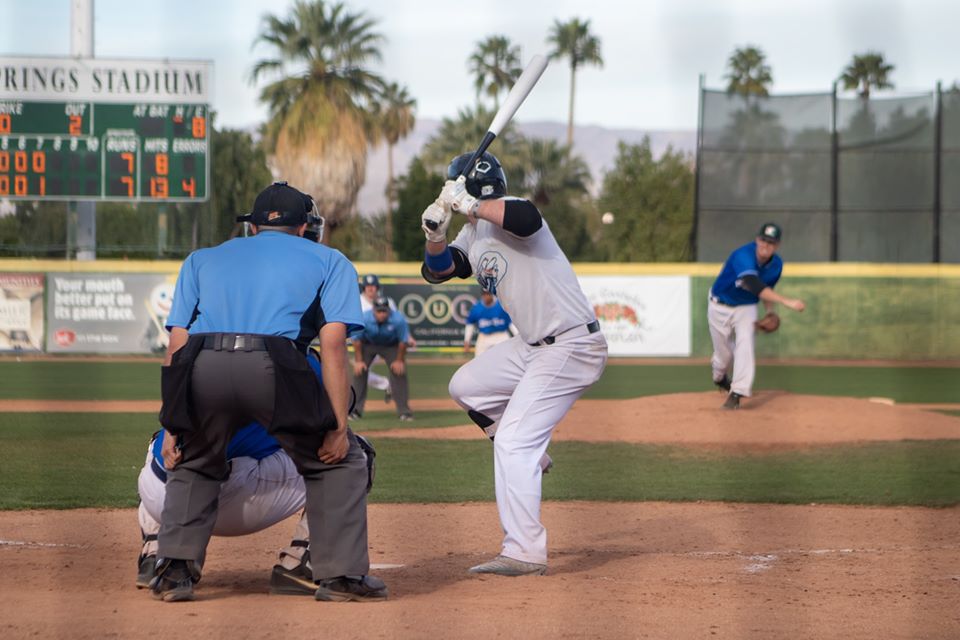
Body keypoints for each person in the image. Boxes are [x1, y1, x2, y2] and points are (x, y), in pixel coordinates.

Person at [152, 181, 385, 603]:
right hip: (273, 363)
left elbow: (177, 345)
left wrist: (173, 424)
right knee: (340, 460)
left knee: (195, 459)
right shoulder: (330, 260)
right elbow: (332, 345)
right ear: (303, 228)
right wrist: (337, 427)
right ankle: (340, 578)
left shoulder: (202, 258)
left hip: (203, 362)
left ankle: (173, 572)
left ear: (253, 227)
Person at [420, 151, 608, 577]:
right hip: (531, 347)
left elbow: (523, 218)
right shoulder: (472, 233)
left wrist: (466, 203)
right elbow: (440, 271)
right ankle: (533, 456)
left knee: (513, 444)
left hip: (571, 345)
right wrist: (435, 235)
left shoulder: (517, 212)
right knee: (466, 385)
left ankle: (524, 551)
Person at [136, 350, 378, 597]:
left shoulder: (201, 349)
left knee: (162, 442)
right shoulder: (294, 358)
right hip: (227, 502)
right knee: (357, 453)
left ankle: (156, 552)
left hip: (161, 495)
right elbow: (343, 402)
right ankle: (301, 561)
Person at [708, 222, 806, 410]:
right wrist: (787, 302)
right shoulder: (742, 255)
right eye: (763, 240)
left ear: (777, 246)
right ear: (757, 239)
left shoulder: (776, 265)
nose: (765, 245)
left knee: (745, 344)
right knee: (724, 354)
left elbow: (766, 289)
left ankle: (737, 393)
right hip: (719, 305)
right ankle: (719, 376)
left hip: (746, 307)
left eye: (771, 242)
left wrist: (770, 311)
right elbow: (752, 283)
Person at [351, 295, 414, 421]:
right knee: (359, 372)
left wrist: (399, 360)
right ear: (374, 310)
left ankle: (404, 412)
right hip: (368, 345)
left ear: (389, 310)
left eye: (384, 311)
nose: (382, 314)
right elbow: (356, 340)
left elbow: (403, 341)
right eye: (379, 311)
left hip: (391, 346)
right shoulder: (365, 317)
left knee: (399, 371)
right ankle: (354, 410)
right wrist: (359, 361)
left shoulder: (398, 319)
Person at [463, 290, 516, 356]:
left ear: (492, 295)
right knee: (479, 360)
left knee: (506, 358)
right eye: (484, 294)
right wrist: (467, 341)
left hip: (501, 335)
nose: (486, 296)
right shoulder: (477, 308)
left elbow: (511, 323)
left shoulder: (501, 306)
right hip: (484, 337)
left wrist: (517, 336)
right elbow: (470, 324)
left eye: (488, 294)